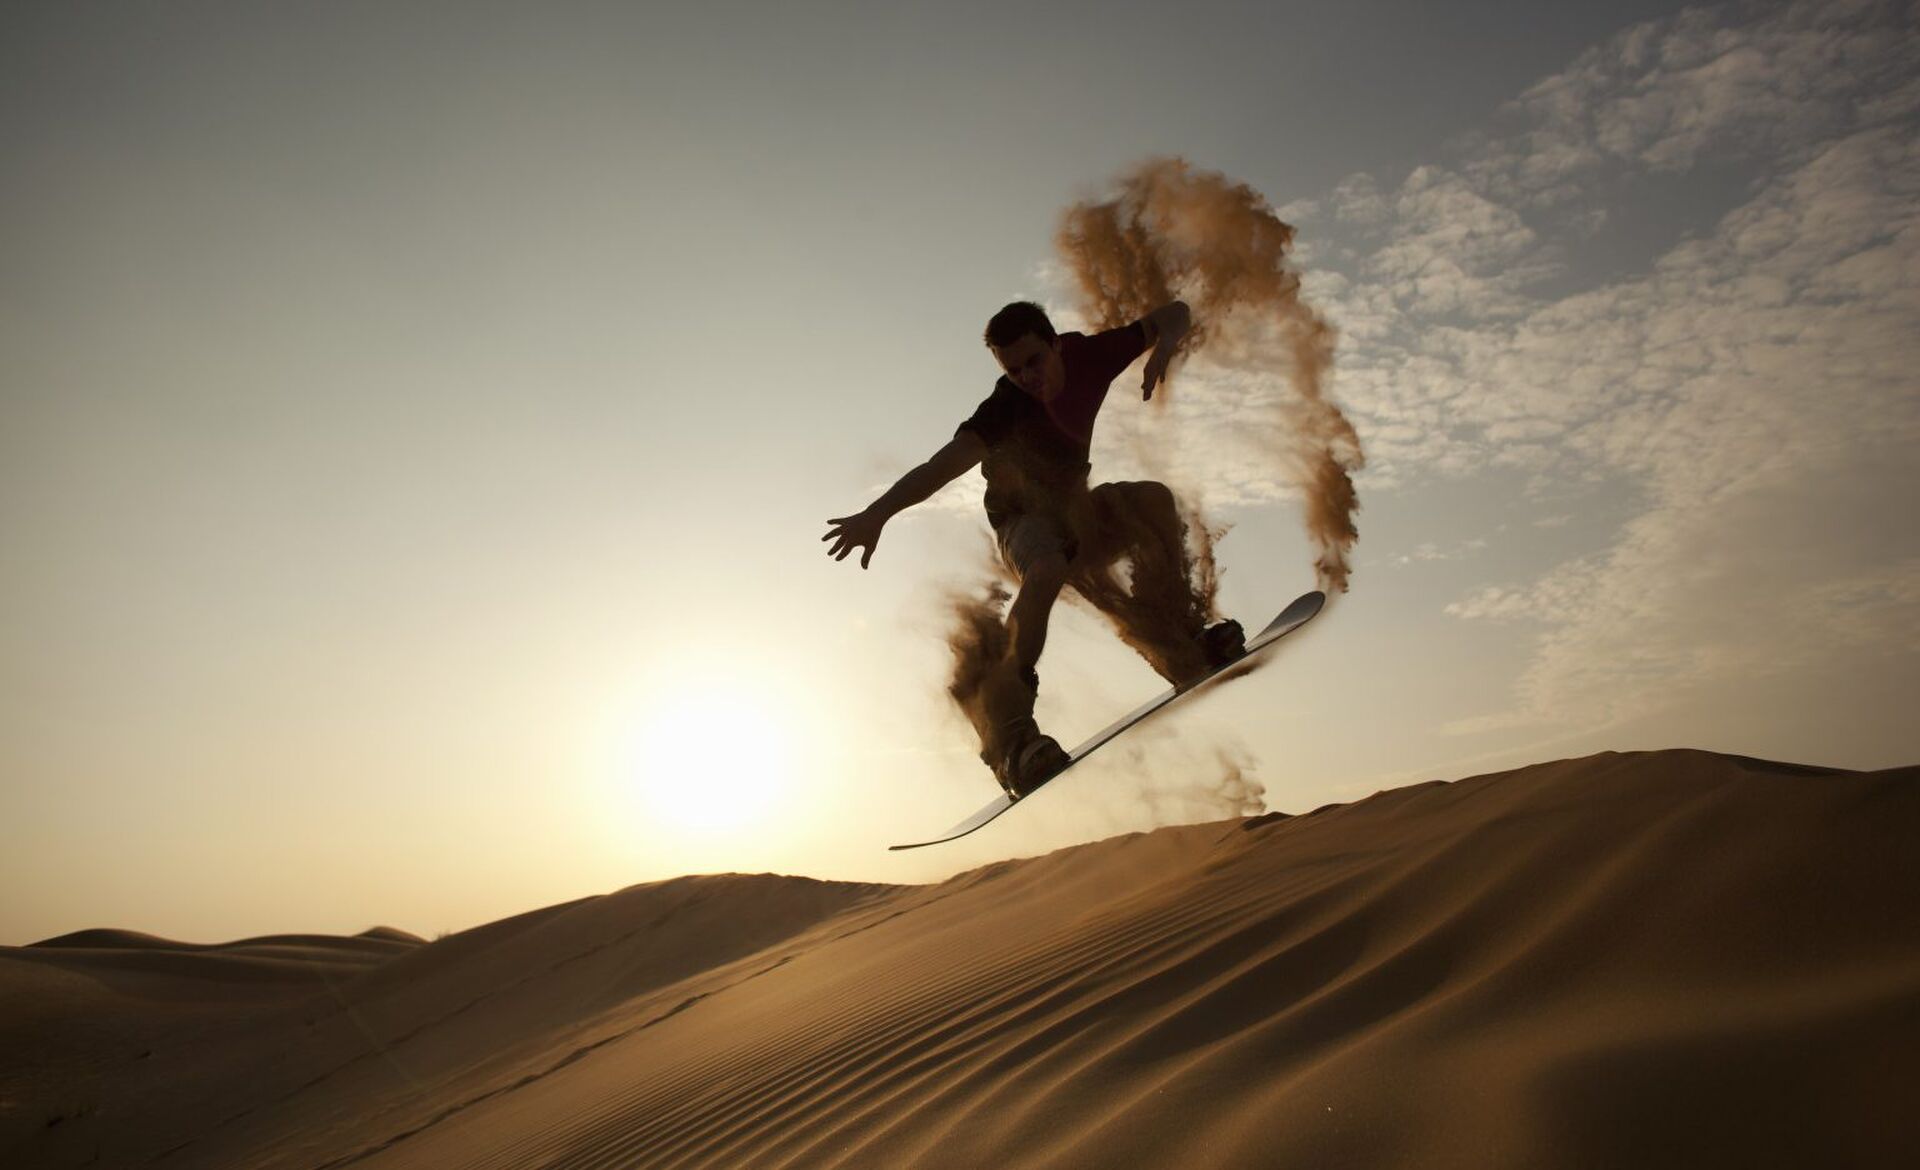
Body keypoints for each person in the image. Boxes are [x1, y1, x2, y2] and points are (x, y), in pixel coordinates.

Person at [824, 301, 1243, 797]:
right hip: (1022, 524)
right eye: (1013, 369)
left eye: (1034, 362)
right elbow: (940, 468)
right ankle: (1010, 739)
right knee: (1045, 567)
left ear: (1056, 345)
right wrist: (878, 513)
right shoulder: (1004, 409)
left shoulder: (1092, 355)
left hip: (1078, 515)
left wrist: (1167, 342)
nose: (1027, 377)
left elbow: (1173, 312)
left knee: (1153, 500)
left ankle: (1180, 643)